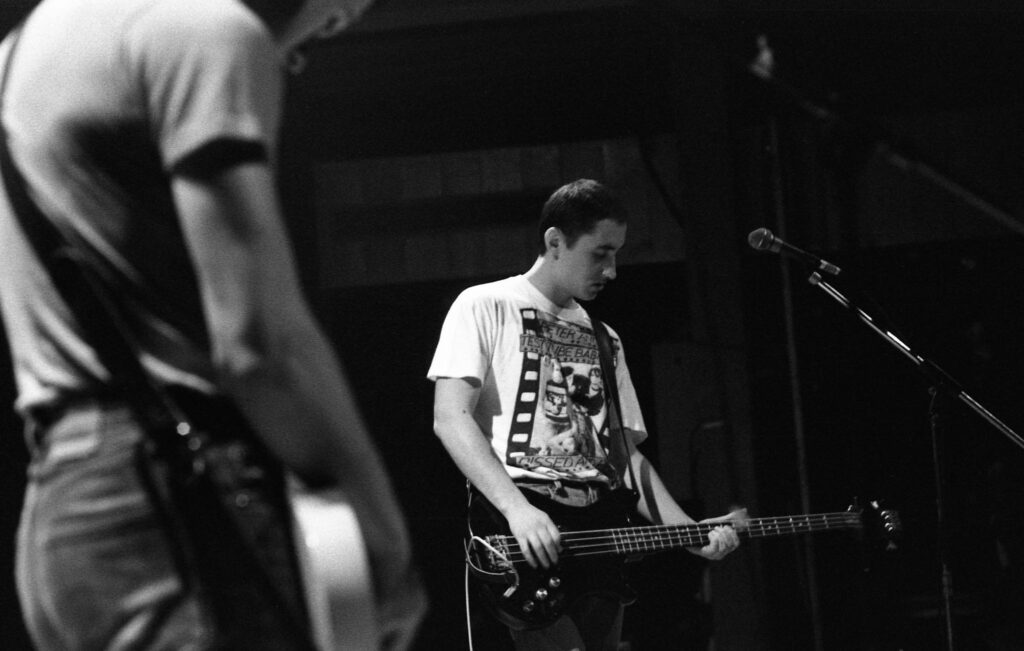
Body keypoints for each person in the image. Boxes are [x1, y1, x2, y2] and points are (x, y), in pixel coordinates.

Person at [0, 0, 424, 649]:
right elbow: (261, 349)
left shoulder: (16, 54)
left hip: (60, 511)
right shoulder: (201, 30)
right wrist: (384, 541)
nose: (324, 32)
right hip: (174, 502)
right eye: (341, 14)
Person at [428, 178, 743, 650]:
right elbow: (451, 417)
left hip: (597, 534)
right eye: (600, 253)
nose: (612, 270)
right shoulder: (484, 305)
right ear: (555, 242)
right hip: (525, 529)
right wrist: (517, 509)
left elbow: (624, 457)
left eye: (616, 254)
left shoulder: (604, 338)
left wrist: (687, 532)